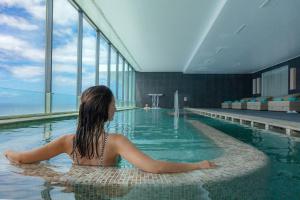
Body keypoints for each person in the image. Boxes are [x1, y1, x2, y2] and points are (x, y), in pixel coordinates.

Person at [4, 86, 216, 173]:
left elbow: (22, 158)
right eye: (113, 103)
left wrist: (7, 151)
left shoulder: (66, 141)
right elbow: (154, 167)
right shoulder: (115, 141)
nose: (115, 107)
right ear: (104, 109)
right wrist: (197, 164)